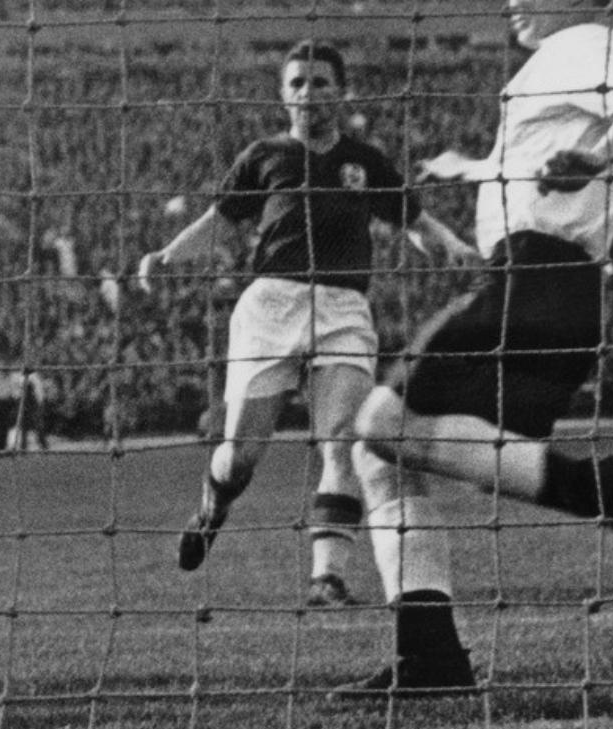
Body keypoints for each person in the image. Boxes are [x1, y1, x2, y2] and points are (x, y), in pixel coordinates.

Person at [333, 0, 613, 698]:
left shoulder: (586, 41)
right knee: (379, 453)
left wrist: (596, 154)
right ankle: (431, 654)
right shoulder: (544, 69)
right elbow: (533, 172)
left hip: (536, 279)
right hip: (540, 287)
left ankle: (606, 489)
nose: (512, 3)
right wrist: (472, 166)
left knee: (375, 428)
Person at [136, 40, 479, 608]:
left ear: (340, 92)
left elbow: (414, 219)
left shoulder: (365, 162)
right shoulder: (264, 155)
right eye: (297, 83)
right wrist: (167, 257)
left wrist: (450, 244)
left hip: (344, 308)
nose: (308, 94)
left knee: (341, 441)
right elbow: (220, 221)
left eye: (320, 83)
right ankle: (213, 506)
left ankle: (328, 577)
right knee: (241, 455)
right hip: (271, 305)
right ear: (282, 94)